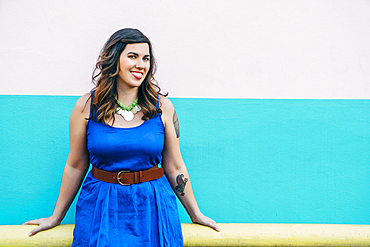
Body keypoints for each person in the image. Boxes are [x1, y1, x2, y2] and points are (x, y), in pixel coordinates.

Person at [23, 28, 220, 246]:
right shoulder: (86, 107)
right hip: (101, 205)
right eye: (132, 56)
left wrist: (195, 213)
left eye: (146, 58)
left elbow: (174, 165)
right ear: (115, 60)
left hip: (152, 205)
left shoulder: (163, 107)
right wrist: (55, 217)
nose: (141, 64)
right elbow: (76, 165)